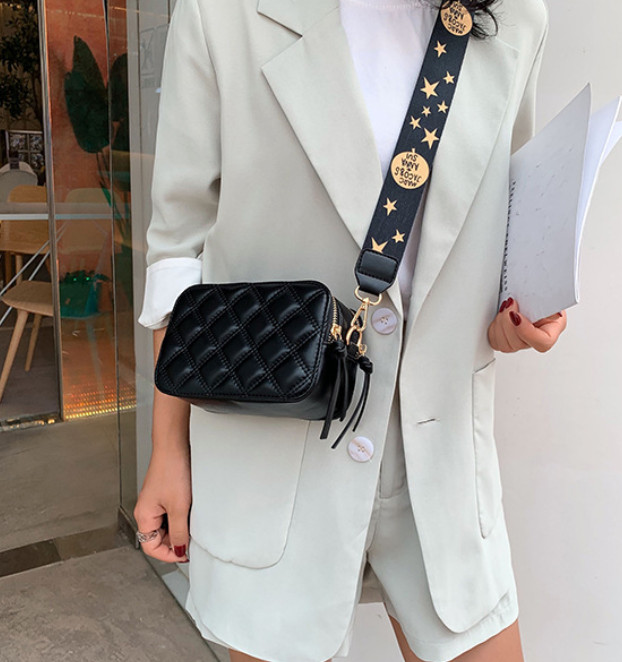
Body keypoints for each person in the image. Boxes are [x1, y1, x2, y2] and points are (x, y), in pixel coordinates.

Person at [134, 0, 566, 661]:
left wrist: (515, 321)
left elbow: (503, 229)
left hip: (442, 462)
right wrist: (168, 448)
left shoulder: (515, 18)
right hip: (270, 449)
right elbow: (177, 250)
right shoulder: (222, 14)